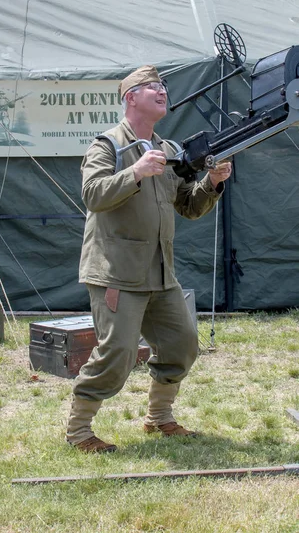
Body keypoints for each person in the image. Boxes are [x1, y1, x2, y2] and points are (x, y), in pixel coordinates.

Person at [66, 65, 232, 453]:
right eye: (151, 86)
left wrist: (211, 183)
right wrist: (136, 172)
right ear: (130, 97)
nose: (162, 91)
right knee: (117, 352)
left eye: (163, 86)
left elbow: (188, 207)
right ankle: (79, 431)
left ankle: (159, 419)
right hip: (116, 272)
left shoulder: (170, 150)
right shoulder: (106, 146)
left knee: (182, 343)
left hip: (160, 272)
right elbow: (93, 195)